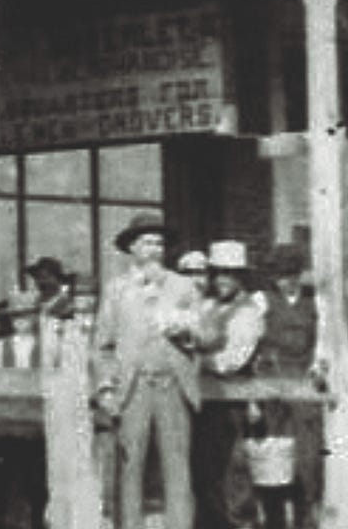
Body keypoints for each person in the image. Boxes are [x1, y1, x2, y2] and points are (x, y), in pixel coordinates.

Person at [93, 212, 205, 529]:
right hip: (134, 390)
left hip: (173, 388)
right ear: (132, 248)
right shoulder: (117, 290)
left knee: (177, 468)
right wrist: (105, 387)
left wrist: (185, 331)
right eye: (147, 243)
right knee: (131, 469)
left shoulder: (183, 286)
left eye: (159, 243)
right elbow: (102, 346)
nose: (154, 249)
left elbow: (204, 334)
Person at [196, 240, 266, 529]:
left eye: (230, 273)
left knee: (234, 470)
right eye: (219, 273)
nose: (222, 280)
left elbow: (232, 360)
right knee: (206, 470)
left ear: (241, 277)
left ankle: (242, 524)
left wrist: (196, 360)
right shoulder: (208, 306)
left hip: (233, 401)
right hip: (205, 400)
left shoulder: (248, 312)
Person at [255, 242, 323, 529]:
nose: (286, 281)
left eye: (291, 274)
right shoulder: (262, 300)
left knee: (308, 457)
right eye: (280, 275)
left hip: (304, 386)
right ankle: (274, 521)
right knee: (274, 456)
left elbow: (323, 343)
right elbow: (252, 343)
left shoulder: (315, 303)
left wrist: (318, 367)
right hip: (272, 385)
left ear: (299, 274)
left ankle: (306, 518)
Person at [25, 255, 75, 369]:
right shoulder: (36, 302)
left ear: (58, 280)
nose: (41, 282)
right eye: (38, 278)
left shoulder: (66, 304)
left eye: (46, 277)